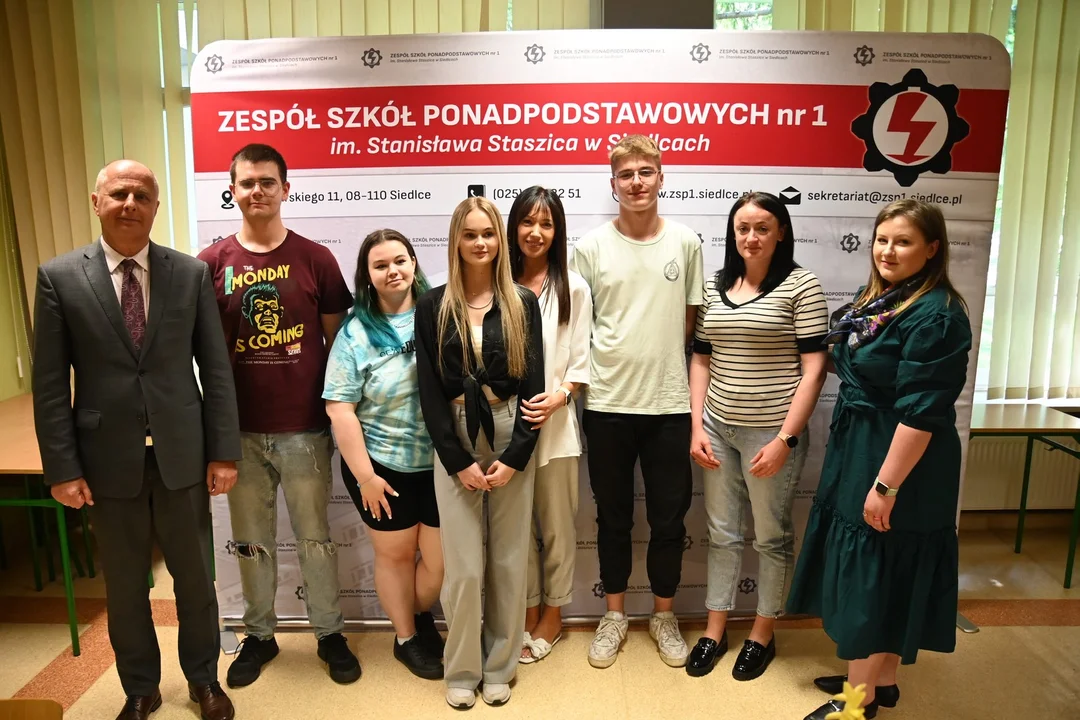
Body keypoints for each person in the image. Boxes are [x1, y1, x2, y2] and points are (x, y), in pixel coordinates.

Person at [32, 160, 240, 720]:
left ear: (155, 206)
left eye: (142, 195)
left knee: (195, 582)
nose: (130, 203)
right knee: (125, 589)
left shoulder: (190, 274)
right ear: (96, 202)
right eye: (119, 193)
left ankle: (204, 681)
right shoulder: (59, 277)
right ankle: (141, 688)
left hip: (183, 456)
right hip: (106, 461)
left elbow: (215, 369)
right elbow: (50, 384)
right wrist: (62, 469)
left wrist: (223, 452)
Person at [785, 200, 972, 720]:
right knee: (880, 568)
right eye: (882, 239)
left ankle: (856, 700)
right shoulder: (883, 300)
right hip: (863, 446)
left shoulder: (937, 315)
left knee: (878, 569)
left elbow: (922, 413)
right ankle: (879, 682)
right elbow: (853, 361)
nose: (888, 251)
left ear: (932, 249)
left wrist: (886, 486)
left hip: (902, 460)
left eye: (903, 241)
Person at [197, 143, 361, 687]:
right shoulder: (209, 264)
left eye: (267, 182)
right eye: (247, 183)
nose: (257, 191)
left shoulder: (317, 259)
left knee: (315, 537)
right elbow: (199, 351)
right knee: (251, 541)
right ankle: (260, 635)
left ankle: (329, 633)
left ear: (285, 189)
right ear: (233, 191)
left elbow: (341, 347)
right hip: (237, 432)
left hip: (304, 429)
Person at [570, 134, 703, 670]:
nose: (637, 182)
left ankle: (664, 616)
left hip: (669, 405)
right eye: (626, 174)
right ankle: (615, 615)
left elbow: (690, 325)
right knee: (614, 519)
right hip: (606, 405)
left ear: (661, 178)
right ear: (613, 184)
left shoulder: (686, 242)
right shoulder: (589, 247)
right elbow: (580, 327)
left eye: (646, 172)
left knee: (670, 521)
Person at [686, 192, 828, 680]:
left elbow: (814, 369)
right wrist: (696, 426)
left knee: (770, 538)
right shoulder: (714, 286)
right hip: (716, 429)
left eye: (762, 228)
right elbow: (701, 358)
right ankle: (714, 630)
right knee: (722, 535)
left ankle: (762, 634)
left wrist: (786, 439)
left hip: (772, 433)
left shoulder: (802, 285)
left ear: (781, 232)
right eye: (742, 228)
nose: (751, 237)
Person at [414, 196, 544, 709]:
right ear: (456, 241)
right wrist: (458, 461)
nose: (480, 242)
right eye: (469, 234)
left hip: (509, 428)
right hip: (456, 435)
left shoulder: (521, 303)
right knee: (465, 567)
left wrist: (516, 457)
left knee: (509, 561)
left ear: (499, 240)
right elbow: (429, 391)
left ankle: (500, 666)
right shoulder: (432, 305)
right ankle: (463, 668)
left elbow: (534, 389)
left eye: (487, 233)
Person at [323, 229, 445, 680]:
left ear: (414, 263)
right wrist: (366, 478)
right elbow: (340, 409)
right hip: (380, 467)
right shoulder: (355, 332)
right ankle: (407, 637)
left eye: (400, 260)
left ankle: (417, 613)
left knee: (440, 561)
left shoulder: (440, 313)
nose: (392, 271)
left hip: (441, 464)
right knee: (395, 557)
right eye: (380, 265)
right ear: (367, 275)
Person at [506, 187, 592, 664]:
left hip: (556, 429)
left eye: (546, 224)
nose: (535, 232)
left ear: (557, 232)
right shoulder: (497, 282)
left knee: (557, 527)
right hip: (506, 430)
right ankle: (527, 609)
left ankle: (554, 615)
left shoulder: (572, 287)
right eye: (527, 222)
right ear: (513, 227)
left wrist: (560, 397)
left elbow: (580, 361)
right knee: (516, 529)